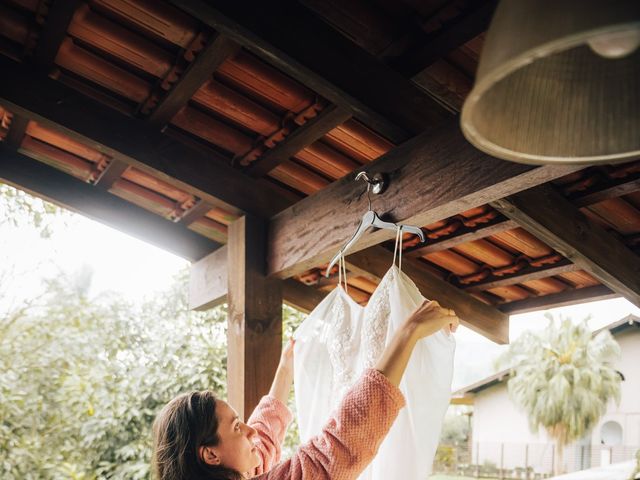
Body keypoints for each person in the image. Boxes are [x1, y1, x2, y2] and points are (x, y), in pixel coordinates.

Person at [152, 300, 459, 480]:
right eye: (236, 427)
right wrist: (408, 333)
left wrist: (286, 368)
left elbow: (264, 437)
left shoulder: (240, 469)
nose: (250, 431)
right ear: (210, 455)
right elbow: (335, 451)